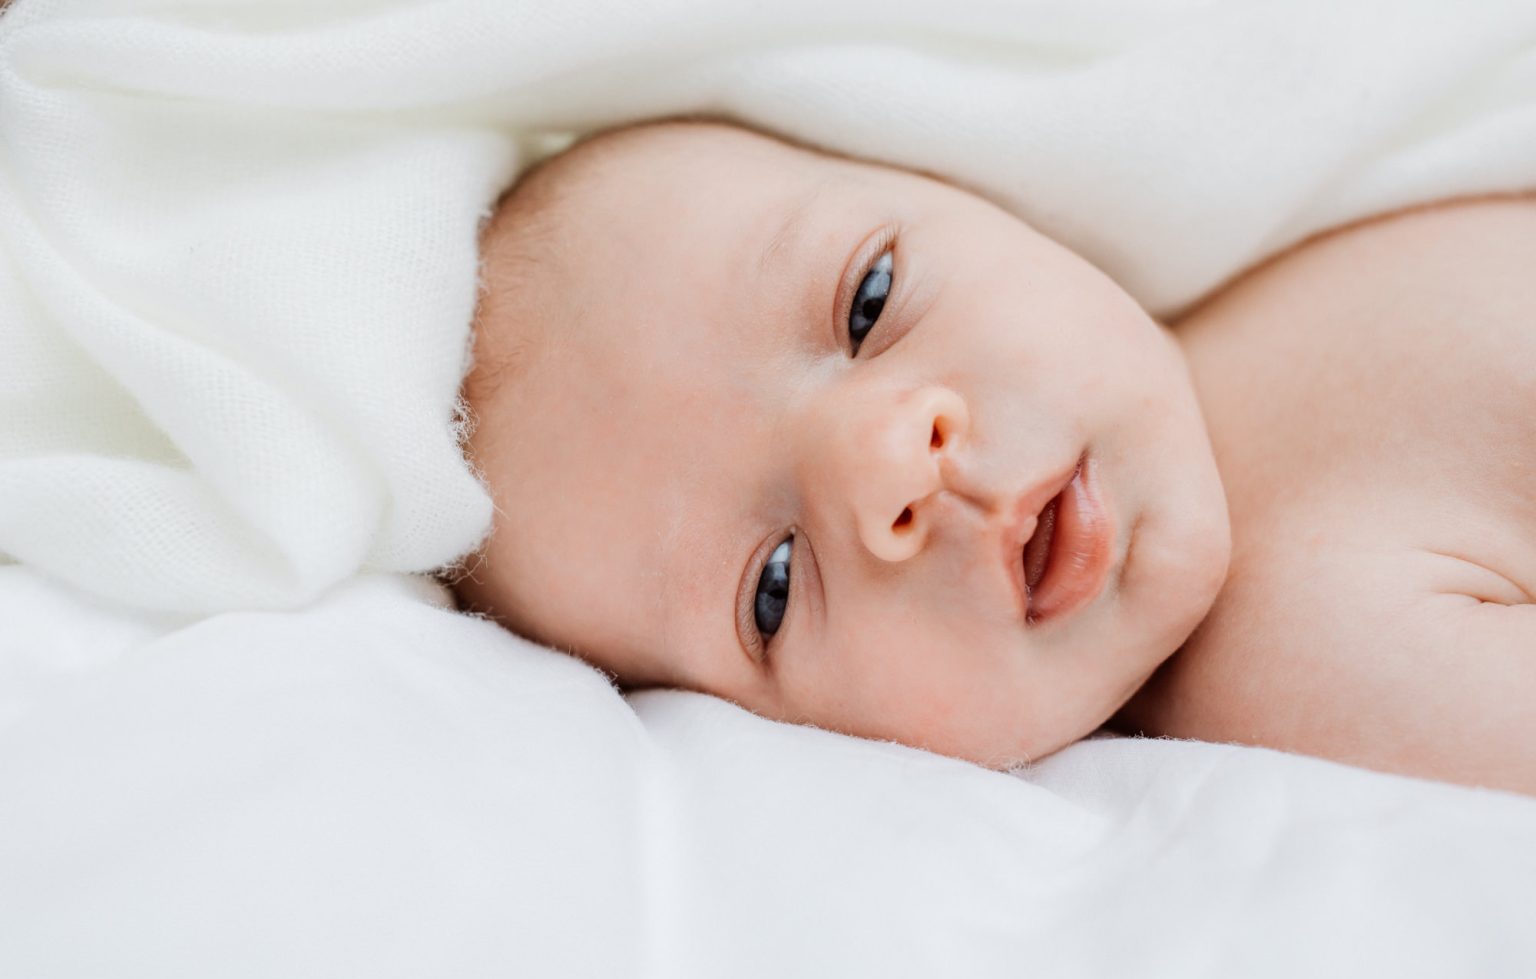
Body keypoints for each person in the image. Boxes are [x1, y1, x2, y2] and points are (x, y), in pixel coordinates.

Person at [454, 118, 1535, 795]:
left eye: (868, 301)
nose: (890, 470)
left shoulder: (1318, 218)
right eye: (772, 589)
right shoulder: (1303, 664)